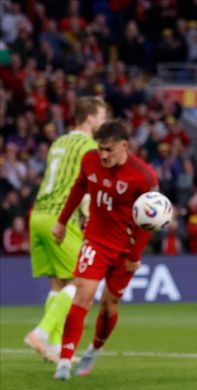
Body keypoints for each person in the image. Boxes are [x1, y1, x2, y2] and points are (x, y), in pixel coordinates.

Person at [51, 120, 159, 381]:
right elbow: (79, 188)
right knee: (83, 295)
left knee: (109, 306)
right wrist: (62, 222)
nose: (103, 155)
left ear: (124, 146)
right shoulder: (90, 160)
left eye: (109, 150)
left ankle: (94, 349)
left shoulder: (143, 175)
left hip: (125, 249)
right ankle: (64, 361)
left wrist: (135, 256)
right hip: (96, 242)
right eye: (100, 149)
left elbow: (149, 221)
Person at [24, 97, 108, 363]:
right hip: (60, 218)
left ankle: (56, 347)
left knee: (58, 283)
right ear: (90, 118)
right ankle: (41, 332)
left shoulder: (58, 143)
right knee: (81, 281)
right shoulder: (90, 147)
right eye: (102, 116)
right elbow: (86, 189)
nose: (104, 122)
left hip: (38, 214)